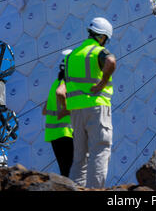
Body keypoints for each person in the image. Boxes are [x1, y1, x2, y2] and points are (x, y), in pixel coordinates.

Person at [56, 17, 116, 189]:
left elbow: (62, 90)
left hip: (76, 111)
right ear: (103, 37)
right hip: (96, 106)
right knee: (99, 150)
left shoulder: (71, 56)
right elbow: (111, 61)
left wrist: (66, 108)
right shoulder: (98, 52)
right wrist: (102, 82)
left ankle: (76, 189)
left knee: (79, 157)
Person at [42, 49, 73, 177]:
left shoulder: (55, 83)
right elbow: (60, 94)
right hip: (66, 133)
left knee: (65, 172)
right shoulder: (66, 82)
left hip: (53, 135)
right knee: (72, 173)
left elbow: (45, 110)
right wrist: (66, 109)